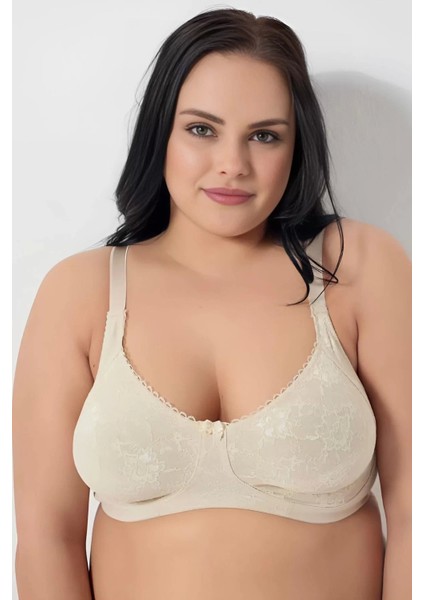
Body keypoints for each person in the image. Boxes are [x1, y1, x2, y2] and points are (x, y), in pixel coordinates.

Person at [13, 7, 411, 600]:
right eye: (202, 129)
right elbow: (48, 538)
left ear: (296, 147)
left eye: (264, 135)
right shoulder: (82, 292)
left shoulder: (358, 267)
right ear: (161, 133)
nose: (233, 165)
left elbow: (414, 515)